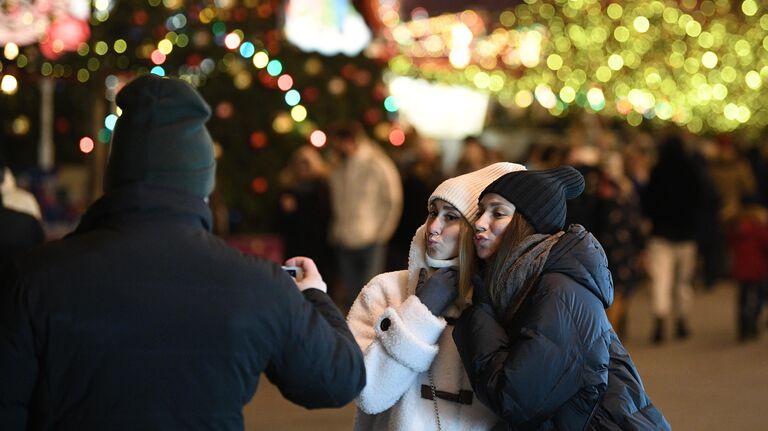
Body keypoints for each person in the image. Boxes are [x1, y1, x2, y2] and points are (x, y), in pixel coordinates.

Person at [0, 75, 365, 430]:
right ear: (202, 180)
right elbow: (339, 380)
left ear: (115, 176)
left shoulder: (34, 278)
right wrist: (314, 295)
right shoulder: (258, 285)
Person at [453, 166, 670, 430]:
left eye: (498, 213)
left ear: (528, 224)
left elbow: (514, 398)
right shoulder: (523, 280)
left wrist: (479, 313)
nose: (479, 222)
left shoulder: (560, 290)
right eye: (481, 211)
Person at [347, 162, 526, 430]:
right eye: (433, 213)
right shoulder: (385, 289)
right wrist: (420, 312)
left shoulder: (506, 300)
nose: (433, 227)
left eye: (451, 217)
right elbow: (368, 393)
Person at [328, 122, 403, 309]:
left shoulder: (376, 163)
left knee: (370, 295)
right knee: (351, 295)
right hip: (344, 238)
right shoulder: (338, 166)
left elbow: (393, 200)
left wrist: (383, 233)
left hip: (370, 238)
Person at [641, 135, 705, 344]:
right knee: (683, 281)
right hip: (686, 235)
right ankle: (681, 321)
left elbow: (647, 202)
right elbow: (700, 202)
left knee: (661, 279)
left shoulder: (657, 171)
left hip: (660, 235)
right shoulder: (691, 171)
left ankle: (660, 321)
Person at [727, 198, 768, 341]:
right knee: (758, 298)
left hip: (741, 271)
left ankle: (743, 326)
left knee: (742, 299)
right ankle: (753, 320)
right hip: (759, 271)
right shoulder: (760, 229)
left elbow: (730, 243)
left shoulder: (738, 229)